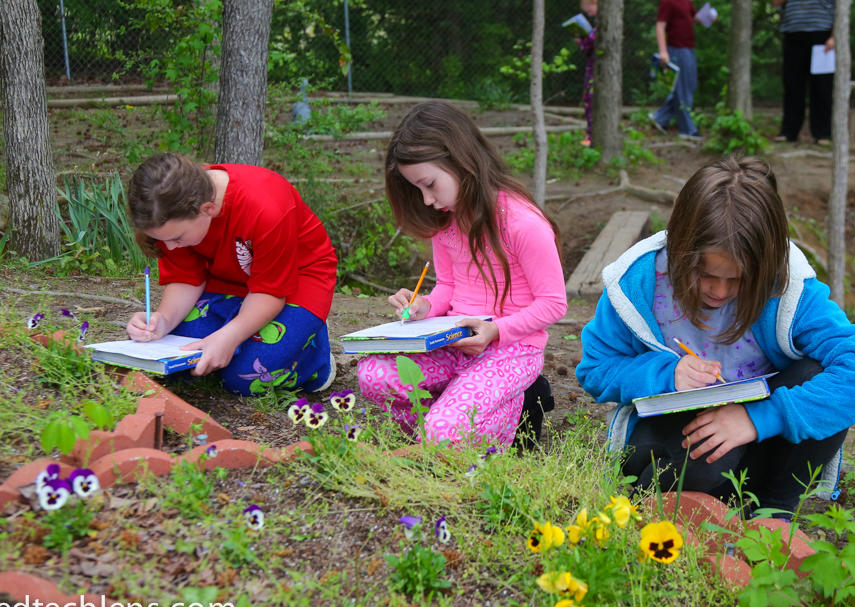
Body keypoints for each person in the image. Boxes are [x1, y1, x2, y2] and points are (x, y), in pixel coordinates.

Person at [576, 156, 855, 516]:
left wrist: (757, 418)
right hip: (675, 437)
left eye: (738, 280)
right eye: (705, 274)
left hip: (761, 440)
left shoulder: (788, 291)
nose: (718, 290)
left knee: (816, 375)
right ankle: (672, 503)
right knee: (704, 458)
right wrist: (668, 375)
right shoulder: (638, 284)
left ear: (766, 265)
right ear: (681, 251)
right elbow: (596, 370)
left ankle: (774, 513)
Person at [358, 101, 567, 448]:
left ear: (460, 161)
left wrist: (497, 329)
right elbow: (449, 287)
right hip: (454, 345)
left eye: (430, 185)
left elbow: (554, 304)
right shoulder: (447, 221)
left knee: (443, 432)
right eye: (418, 190)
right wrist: (425, 306)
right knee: (373, 376)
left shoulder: (523, 223)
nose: (426, 200)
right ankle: (444, 426)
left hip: (511, 351)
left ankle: (476, 426)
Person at [125, 153, 338, 397]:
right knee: (181, 361)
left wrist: (230, 336)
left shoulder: (266, 206)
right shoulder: (171, 208)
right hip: (227, 281)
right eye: (163, 241)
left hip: (295, 283)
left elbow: (269, 292)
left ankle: (315, 356)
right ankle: (272, 332)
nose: (170, 248)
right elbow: (186, 278)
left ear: (208, 209)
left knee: (246, 377)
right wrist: (163, 321)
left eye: (176, 239)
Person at [768, 0, 838, 145]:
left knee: (822, 87)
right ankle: (789, 131)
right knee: (793, 86)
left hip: (822, 38)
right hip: (794, 36)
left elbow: (841, 7)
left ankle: (822, 133)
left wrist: (834, 37)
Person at [651, 0, 702, 140]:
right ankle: (687, 129)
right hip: (676, 49)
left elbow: (696, 19)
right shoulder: (667, 1)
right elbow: (660, 26)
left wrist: (711, 16)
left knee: (689, 86)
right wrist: (663, 51)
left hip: (689, 48)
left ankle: (660, 117)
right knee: (683, 89)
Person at [576, 0, 599, 146]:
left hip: (597, 70)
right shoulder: (598, 21)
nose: (588, 10)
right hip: (592, 67)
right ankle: (590, 134)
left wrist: (583, 40)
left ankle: (592, 136)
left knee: (592, 101)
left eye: (590, 5)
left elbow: (592, 41)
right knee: (588, 100)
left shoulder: (604, 23)